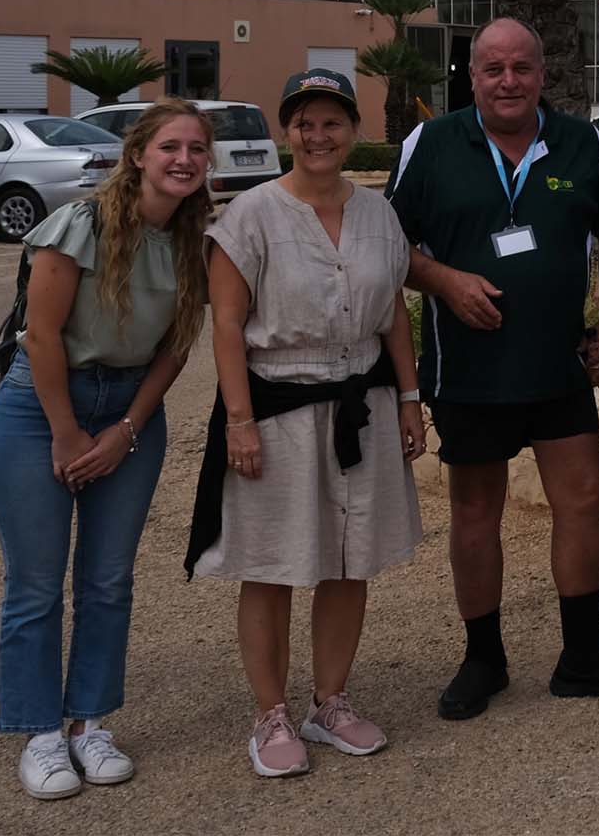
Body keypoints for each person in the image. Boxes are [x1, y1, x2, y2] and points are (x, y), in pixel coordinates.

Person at [388, 19, 599, 722]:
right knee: (476, 511)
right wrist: (446, 280)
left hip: (557, 361)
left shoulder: (579, 139)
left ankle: (582, 656)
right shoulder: (434, 141)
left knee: (580, 500)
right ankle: (484, 658)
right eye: (493, 69)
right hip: (468, 368)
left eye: (521, 68)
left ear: (542, 72)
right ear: (472, 76)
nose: (507, 81)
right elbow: (387, 242)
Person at [191, 70, 425, 778]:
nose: (318, 136)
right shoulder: (252, 215)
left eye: (332, 122)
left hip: (363, 401)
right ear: (285, 131)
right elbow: (227, 324)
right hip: (278, 404)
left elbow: (392, 315)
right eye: (304, 122)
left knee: (351, 556)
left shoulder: (379, 213)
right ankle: (270, 712)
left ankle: (331, 701)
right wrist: (239, 418)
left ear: (353, 129)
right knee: (271, 562)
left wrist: (411, 399)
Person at [0, 101, 213, 801]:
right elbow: (43, 335)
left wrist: (127, 429)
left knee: (108, 580)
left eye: (198, 148)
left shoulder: (193, 242)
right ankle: (40, 730)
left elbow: (175, 347)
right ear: (138, 154)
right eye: (169, 145)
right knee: (36, 581)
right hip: (42, 407)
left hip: (130, 411)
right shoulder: (81, 225)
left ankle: (88, 721)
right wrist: (68, 432)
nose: (184, 158)